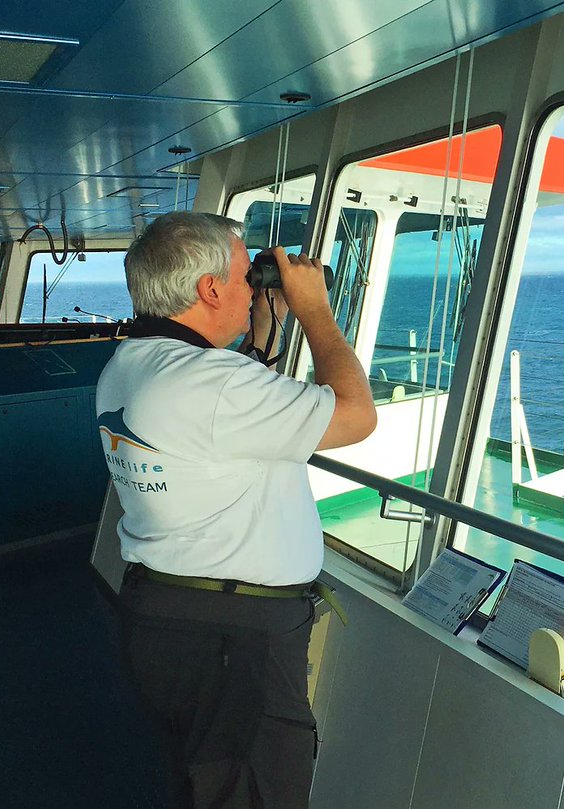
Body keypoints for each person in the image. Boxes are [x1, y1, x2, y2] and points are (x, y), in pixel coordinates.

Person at [95, 212, 376, 808]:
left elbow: (221, 415)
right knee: (254, 791)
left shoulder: (131, 365)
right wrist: (314, 312)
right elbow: (355, 414)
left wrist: (265, 335)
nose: (254, 289)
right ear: (210, 289)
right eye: (248, 276)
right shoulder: (211, 383)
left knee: (204, 778)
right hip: (231, 636)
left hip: (165, 616)